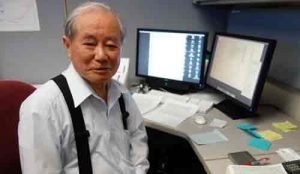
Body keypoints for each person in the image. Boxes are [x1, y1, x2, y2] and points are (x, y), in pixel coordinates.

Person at [18, 2, 149, 174]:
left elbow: (138, 146)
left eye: (111, 45)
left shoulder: (122, 95)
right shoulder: (42, 108)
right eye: (90, 44)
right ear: (68, 45)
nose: (102, 56)